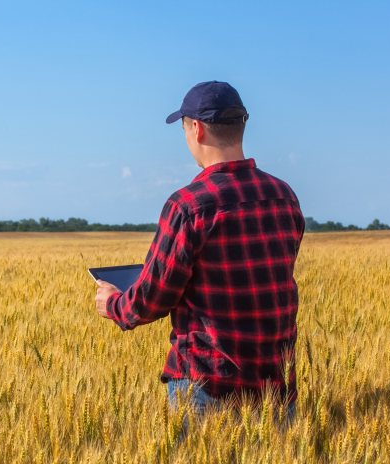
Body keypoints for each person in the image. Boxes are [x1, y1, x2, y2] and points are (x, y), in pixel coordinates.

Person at [94, 81, 304, 419]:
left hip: (209, 384)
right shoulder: (283, 196)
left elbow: (153, 297)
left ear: (197, 129)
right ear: (241, 127)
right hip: (276, 383)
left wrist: (113, 304)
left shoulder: (189, 205)